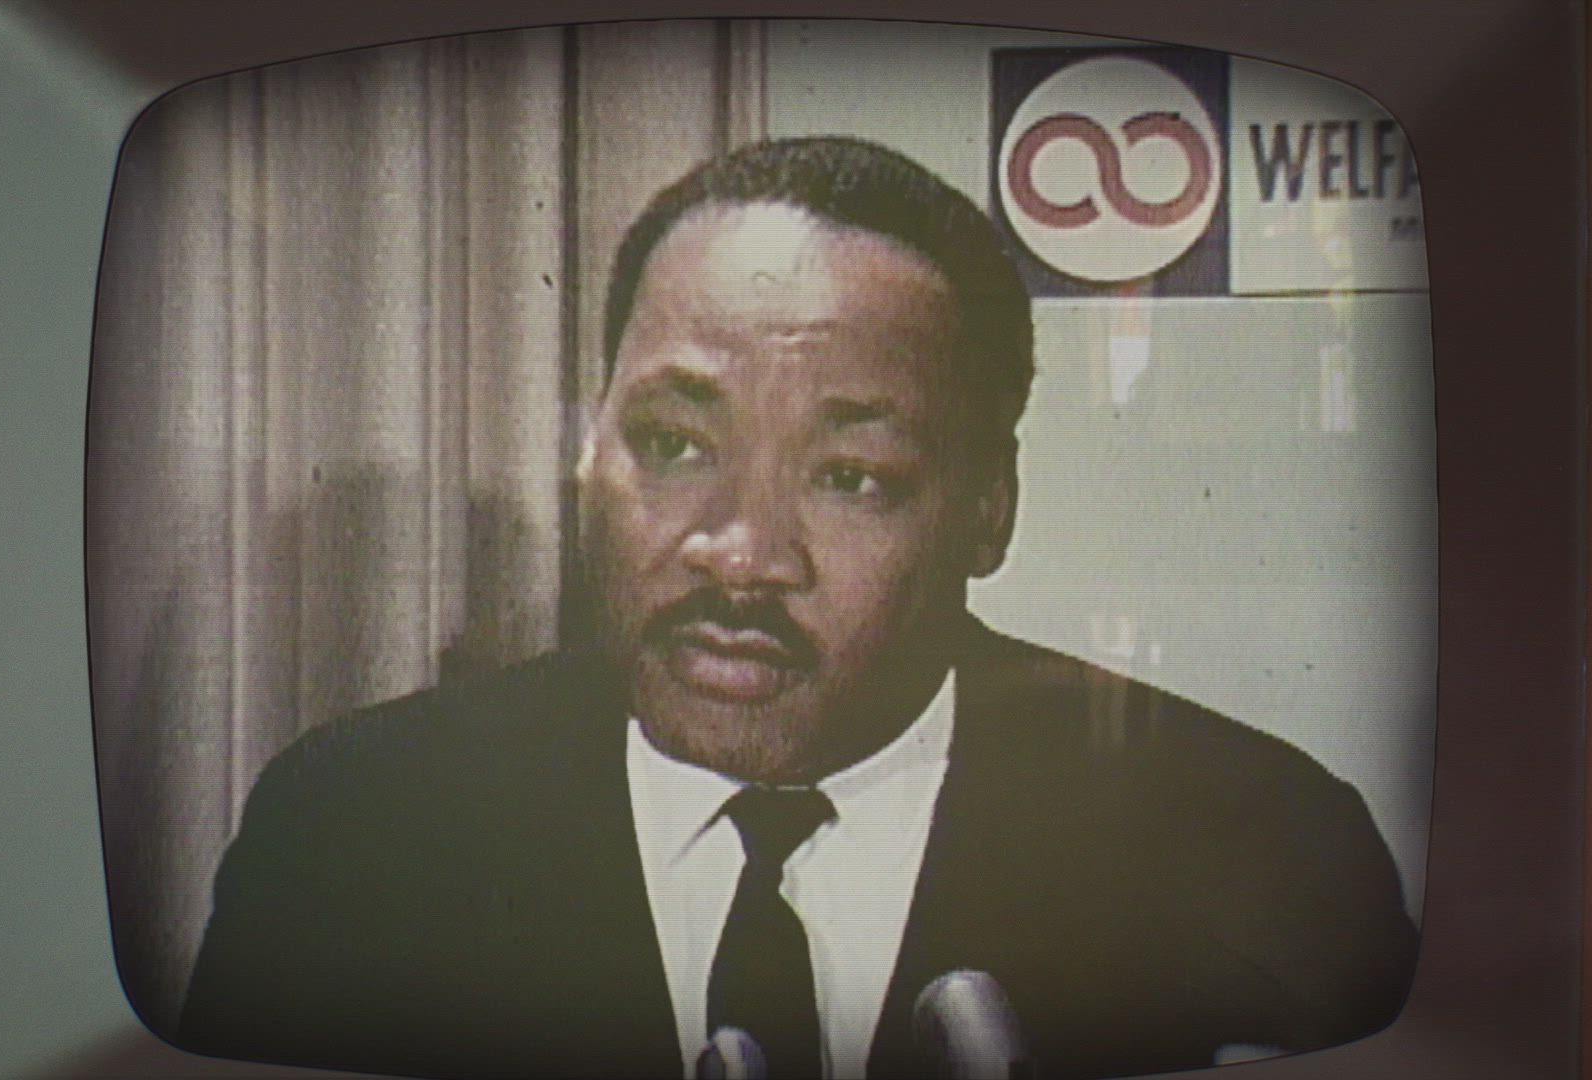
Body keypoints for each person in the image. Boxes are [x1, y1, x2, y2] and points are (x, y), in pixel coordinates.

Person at [176, 136, 1417, 1079]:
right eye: (670, 442)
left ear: (988, 509)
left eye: (851, 477)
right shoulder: (344, 839)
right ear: (590, 451)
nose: (737, 554)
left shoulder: (1260, 854)